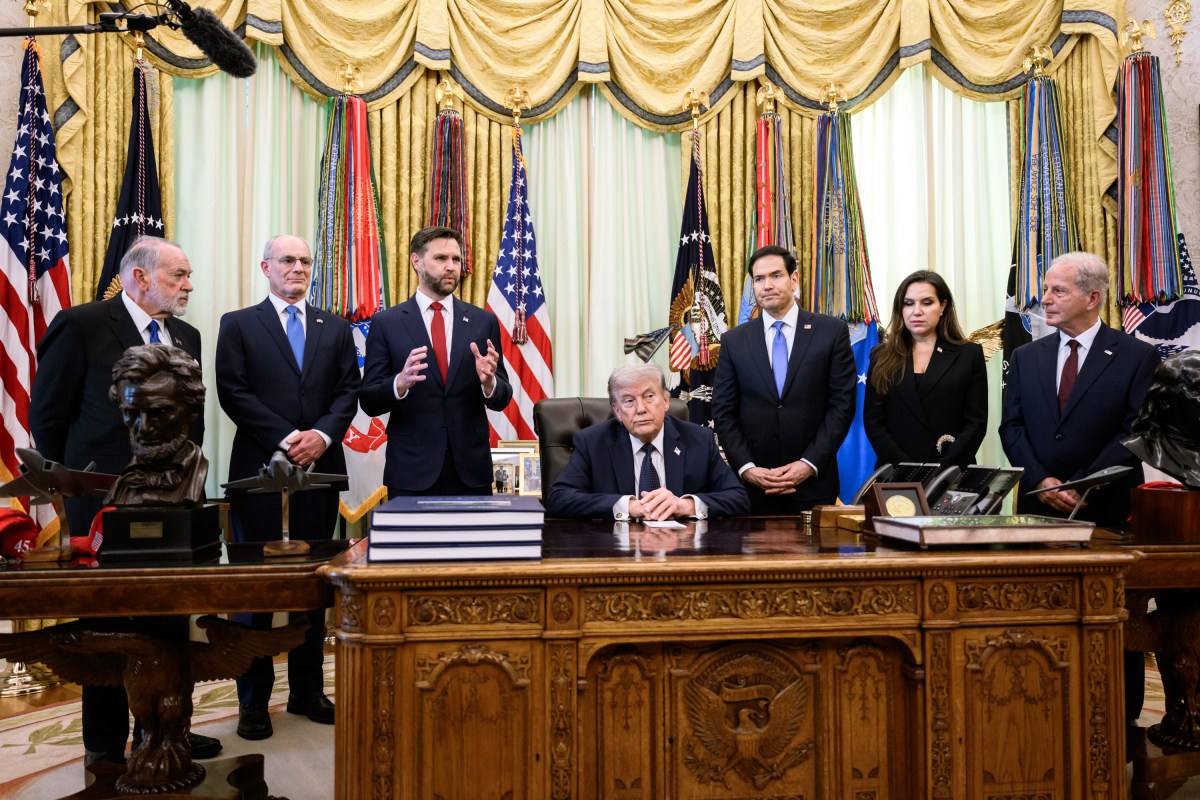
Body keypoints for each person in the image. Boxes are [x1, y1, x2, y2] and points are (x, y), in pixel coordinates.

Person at [28, 236, 220, 764]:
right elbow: (47, 417)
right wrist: (71, 491)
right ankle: (107, 744)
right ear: (140, 277)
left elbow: (193, 417)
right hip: (102, 502)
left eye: (187, 276)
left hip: (173, 500)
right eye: (179, 275)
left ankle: (165, 726)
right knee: (110, 624)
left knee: (168, 616)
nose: (188, 285)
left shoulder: (187, 335)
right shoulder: (83, 324)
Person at [999, 250, 1159, 722]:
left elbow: (1138, 431)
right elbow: (1012, 428)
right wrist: (1040, 478)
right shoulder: (1026, 356)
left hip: (1106, 512)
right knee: (1043, 618)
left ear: (1093, 297)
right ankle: (1042, 709)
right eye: (1046, 288)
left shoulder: (1136, 355)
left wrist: (1086, 485)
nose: (1044, 298)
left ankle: (1122, 717)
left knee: (1112, 620)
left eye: (1057, 290)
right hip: (1039, 511)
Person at [215, 234, 360, 740]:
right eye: (287, 260)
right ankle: (252, 701)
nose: (297, 268)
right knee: (253, 588)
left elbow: (348, 391)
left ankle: (306, 691)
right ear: (266, 267)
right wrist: (285, 437)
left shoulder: (335, 327)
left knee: (311, 584)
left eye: (304, 261)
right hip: (259, 469)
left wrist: (320, 435)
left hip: (320, 471)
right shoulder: (237, 324)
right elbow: (232, 391)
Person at [361, 226, 512, 496]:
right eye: (441, 259)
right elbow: (369, 400)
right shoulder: (387, 323)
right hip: (411, 471)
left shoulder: (482, 321)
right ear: (416, 261)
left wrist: (489, 383)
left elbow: (502, 397)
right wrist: (400, 383)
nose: (451, 266)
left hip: (470, 472)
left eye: (456, 259)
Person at [712, 245, 857, 513]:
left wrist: (809, 464)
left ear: (794, 279)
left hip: (814, 484)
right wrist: (747, 468)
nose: (767, 285)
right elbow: (723, 412)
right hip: (753, 489)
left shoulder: (830, 332)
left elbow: (842, 405)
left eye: (776, 276)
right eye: (759, 279)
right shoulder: (734, 341)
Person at [546, 364, 749, 520]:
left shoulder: (699, 440)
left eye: (649, 396)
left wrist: (685, 505)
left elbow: (738, 498)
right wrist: (626, 506)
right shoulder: (592, 442)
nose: (641, 409)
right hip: (616, 557)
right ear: (617, 412)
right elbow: (558, 498)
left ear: (666, 401)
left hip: (683, 556)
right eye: (628, 401)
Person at [863, 270, 987, 468]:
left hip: (952, 474)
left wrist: (942, 469)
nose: (917, 311)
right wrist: (908, 469)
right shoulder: (881, 355)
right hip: (897, 475)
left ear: (943, 306)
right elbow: (874, 422)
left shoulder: (969, 354)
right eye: (908, 303)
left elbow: (976, 423)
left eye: (927, 303)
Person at [106, 344, 208, 507]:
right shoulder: (123, 484)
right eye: (131, 413)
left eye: (160, 412)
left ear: (193, 410)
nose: (144, 428)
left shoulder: (197, 474)